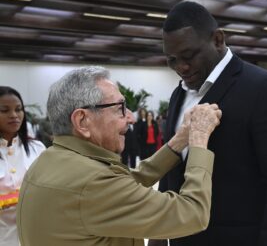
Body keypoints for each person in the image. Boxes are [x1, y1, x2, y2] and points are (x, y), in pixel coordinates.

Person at [150, 1, 267, 246]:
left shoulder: (266, 90)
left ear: (218, 39)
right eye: (171, 59)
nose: (181, 67)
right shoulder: (177, 95)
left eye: (189, 55)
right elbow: (172, 175)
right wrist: (159, 239)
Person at [16, 66, 222, 246]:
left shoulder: (50, 160)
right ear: (82, 121)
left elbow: (125, 183)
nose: (130, 118)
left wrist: (178, 141)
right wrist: (199, 139)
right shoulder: (93, 183)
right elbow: (191, 214)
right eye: (120, 108)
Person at [0, 86, 46, 246]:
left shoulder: (37, 148)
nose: (14, 115)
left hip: (34, 233)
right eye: (4, 110)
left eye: (18, 109)